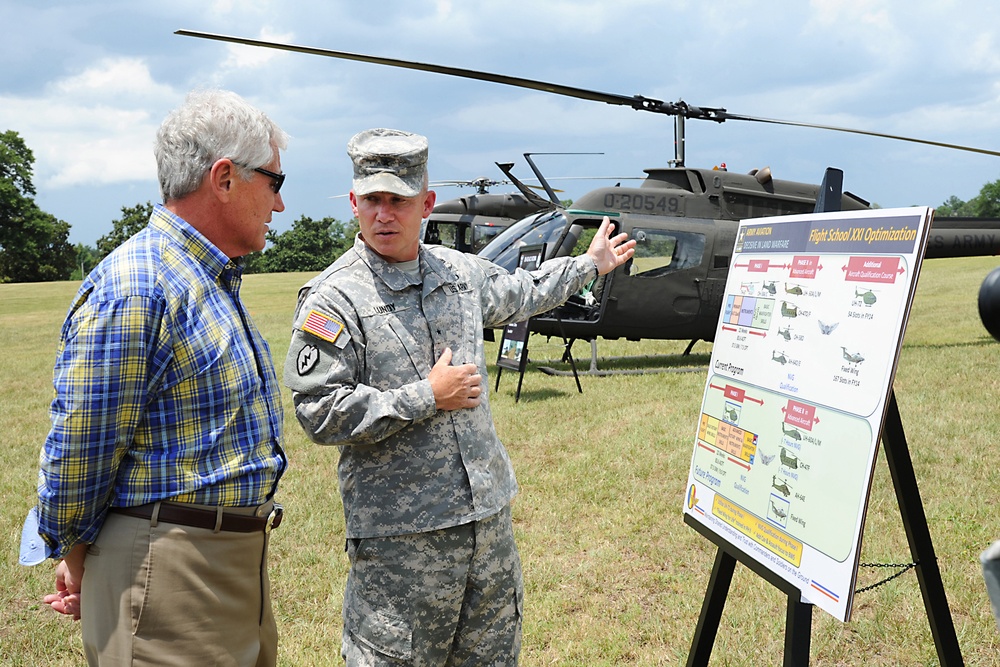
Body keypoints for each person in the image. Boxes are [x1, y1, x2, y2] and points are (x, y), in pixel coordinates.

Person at [283, 127, 635, 665]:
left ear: (425, 204)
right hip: (401, 544)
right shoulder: (335, 297)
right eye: (372, 200)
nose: (384, 214)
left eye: (398, 200)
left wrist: (589, 265)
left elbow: (523, 292)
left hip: (486, 527)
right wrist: (426, 396)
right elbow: (318, 411)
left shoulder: (459, 274)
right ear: (354, 203)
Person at [19, 89, 289, 666]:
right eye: (275, 183)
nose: (280, 205)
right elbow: (80, 447)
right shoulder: (139, 285)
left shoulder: (203, 277)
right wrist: (77, 551)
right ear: (225, 178)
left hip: (224, 564)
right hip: (168, 571)